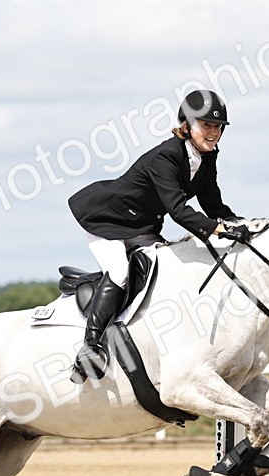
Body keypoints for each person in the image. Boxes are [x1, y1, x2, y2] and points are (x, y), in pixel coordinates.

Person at [66, 89, 248, 382]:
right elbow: (177, 210)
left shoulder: (208, 156)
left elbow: (212, 203)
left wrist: (240, 223)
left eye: (217, 127)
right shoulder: (167, 155)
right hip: (107, 221)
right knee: (119, 271)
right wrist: (218, 229)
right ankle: (91, 347)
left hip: (141, 228)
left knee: (166, 268)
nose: (213, 132)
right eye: (206, 125)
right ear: (186, 125)